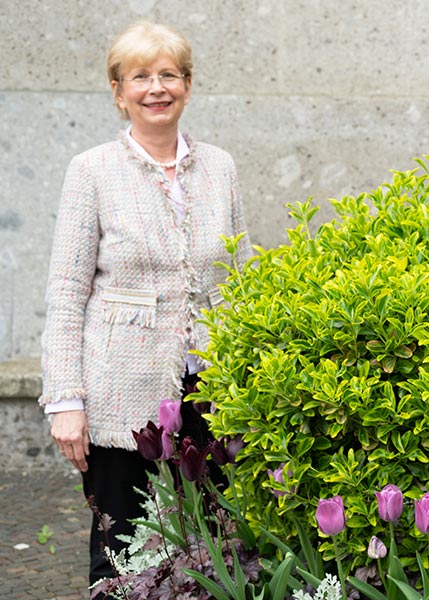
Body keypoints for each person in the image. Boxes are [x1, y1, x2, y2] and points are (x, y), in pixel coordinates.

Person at [38, 21, 251, 592]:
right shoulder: (92, 171)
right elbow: (66, 293)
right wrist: (65, 400)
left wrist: (255, 378)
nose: (157, 88)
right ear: (118, 91)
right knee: (123, 546)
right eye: (140, 77)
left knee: (219, 540)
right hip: (121, 389)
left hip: (212, 385)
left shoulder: (221, 167)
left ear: (187, 84)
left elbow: (242, 275)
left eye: (169, 75)